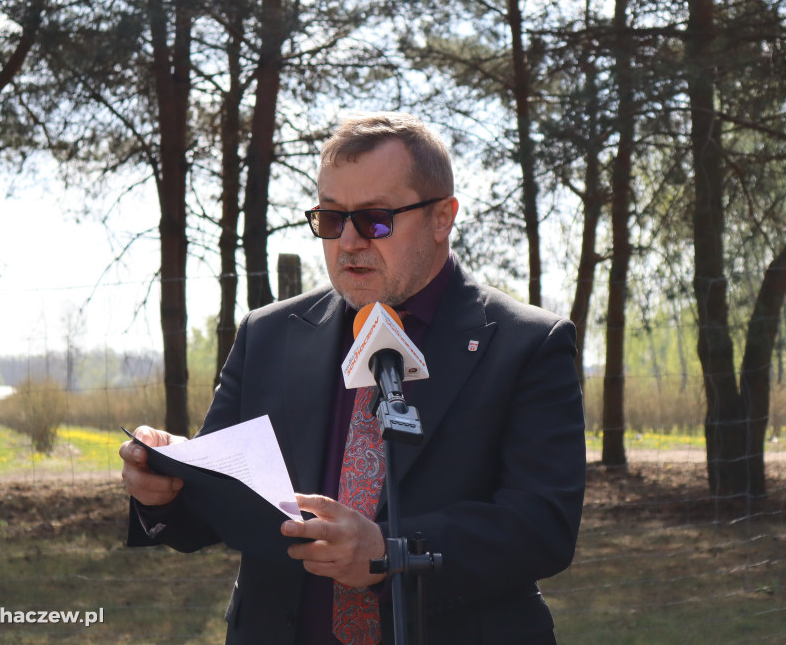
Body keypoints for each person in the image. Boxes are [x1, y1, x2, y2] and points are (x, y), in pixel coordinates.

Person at [120, 112, 586, 645]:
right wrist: (166, 490)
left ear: (442, 218)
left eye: (375, 219)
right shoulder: (268, 335)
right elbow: (220, 504)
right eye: (331, 218)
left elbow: (541, 526)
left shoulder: (526, 343)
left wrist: (388, 551)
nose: (348, 242)